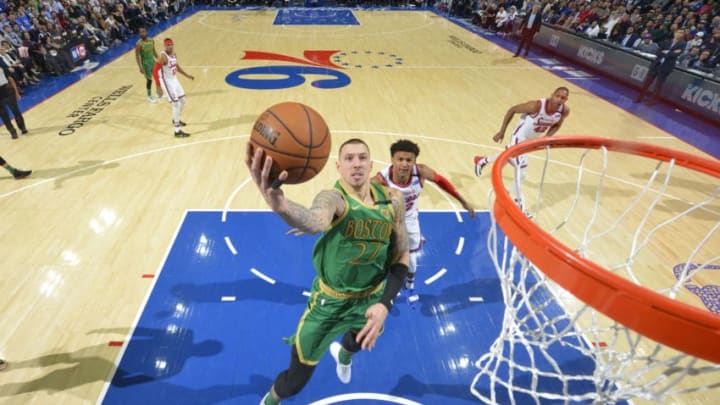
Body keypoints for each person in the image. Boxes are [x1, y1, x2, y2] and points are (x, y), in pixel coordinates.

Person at [246, 139, 410, 405]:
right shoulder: (333, 199)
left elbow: (402, 254)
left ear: (371, 164)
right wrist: (283, 207)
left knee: (357, 343)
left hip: (370, 299)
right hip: (329, 303)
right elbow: (315, 220)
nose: (356, 163)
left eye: (361, 157)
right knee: (295, 382)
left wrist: (384, 305)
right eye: (348, 158)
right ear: (338, 166)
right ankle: (270, 400)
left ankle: (344, 355)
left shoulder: (393, 201)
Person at [372, 139, 475, 293]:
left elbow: (442, 182)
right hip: (389, 218)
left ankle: (410, 281)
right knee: (384, 253)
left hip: (410, 218)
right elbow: (363, 197)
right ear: (392, 160)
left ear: (415, 161)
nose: (404, 164)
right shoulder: (381, 179)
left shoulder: (421, 172)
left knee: (411, 256)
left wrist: (462, 200)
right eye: (400, 159)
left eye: (409, 160)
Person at [473, 87, 570, 209]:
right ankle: (518, 204)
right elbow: (512, 110)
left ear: (566, 100)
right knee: (521, 169)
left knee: (508, 157)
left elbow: (557, 125)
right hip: (519, 136)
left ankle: (482, 160)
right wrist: (501, 131)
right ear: (552, 95)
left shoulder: (564, 111)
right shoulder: (536, 106)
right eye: (557, 96)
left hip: (531, 140)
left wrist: (546, 138)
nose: (559, 99)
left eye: (563, 98)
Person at [152, 37, 194, 137]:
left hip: (174, 79)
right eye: (168, 45)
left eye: (171, 44)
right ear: (165, 46)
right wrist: (158, 86)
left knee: (183, 101)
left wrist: (186, 75)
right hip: (166, 81)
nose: (170, 46)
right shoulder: (163, 57)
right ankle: (177, 131)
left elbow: (176, 66)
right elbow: (154, 71)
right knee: (176, 104)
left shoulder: (174, 54)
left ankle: (176, 119)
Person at [634, 28, 687, 104]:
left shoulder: (683, 44)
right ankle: (639, 98)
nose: (680, 34)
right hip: (656, 64)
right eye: (679, 32)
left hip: (666, 66)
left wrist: (666, 52)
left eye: (682, 33)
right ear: (675, 33)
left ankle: (651, 101)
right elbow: (658, 52)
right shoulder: (667, 41)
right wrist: (670, 52)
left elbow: (675, 54)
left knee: (658, 85)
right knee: (647, 83)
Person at [0, 64, 27, 139]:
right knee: (3, 115)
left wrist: (16, 92)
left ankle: (22, 127)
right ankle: (12, 131)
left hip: (7, 89)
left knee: (15, 110)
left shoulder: (2, 67)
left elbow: (10, 79)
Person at [135, 27, 158, 104]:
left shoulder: (151, 40)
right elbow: (137, 56)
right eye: (141, 32)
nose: (142, 33)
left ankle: (158, 93)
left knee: (157, 77)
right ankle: (149, 96)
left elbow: (154, 51)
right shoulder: (139, 44)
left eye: (143, 32)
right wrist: (140, 67)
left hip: (152, 61)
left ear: (146, 32)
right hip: (145, 64)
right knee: (149, 80)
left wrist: (159, 59)